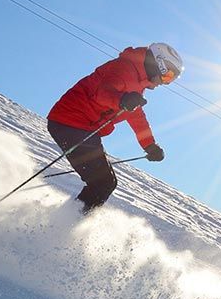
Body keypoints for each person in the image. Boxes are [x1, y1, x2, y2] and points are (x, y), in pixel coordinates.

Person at [46, 43, 183, 213]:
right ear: (159, 64)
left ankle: (69, 221)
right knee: (103, 183)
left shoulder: (138, 84)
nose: (166, 82)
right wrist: (121, 100)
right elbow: (103, 92)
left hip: (83, 128)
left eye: (171, 79)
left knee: (105, 182)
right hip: (70, 121)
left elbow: (137, 117)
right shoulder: (124, 68)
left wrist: (150, 145)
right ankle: (68, 223)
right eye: (168, 76)